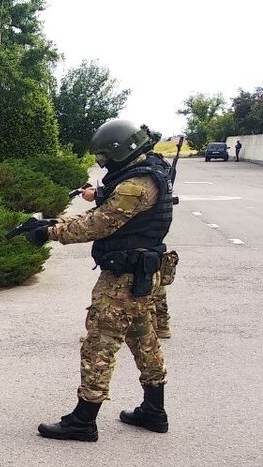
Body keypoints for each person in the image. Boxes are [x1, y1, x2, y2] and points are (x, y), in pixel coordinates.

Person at [10, 118, 171, 441]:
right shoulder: (148, 171)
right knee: (144, 341)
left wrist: (49, 231)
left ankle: (83, 420)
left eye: (104, 157)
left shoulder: (136, 185)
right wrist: (59, 220)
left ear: (120, 150)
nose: (103, 163)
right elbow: (107, 210)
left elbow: (100, 224)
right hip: (141, 274)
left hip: (123, 281)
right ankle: (154, 410)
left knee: (99, 346)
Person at [81, 185, 176, 338]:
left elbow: (129, 197)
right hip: (149, 234)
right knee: (149, 278)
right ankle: (159, 324)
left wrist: (99, 195)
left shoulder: (144, 171)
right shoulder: (155, 168)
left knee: (122, 287)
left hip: (134, 237)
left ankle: (101, 331)